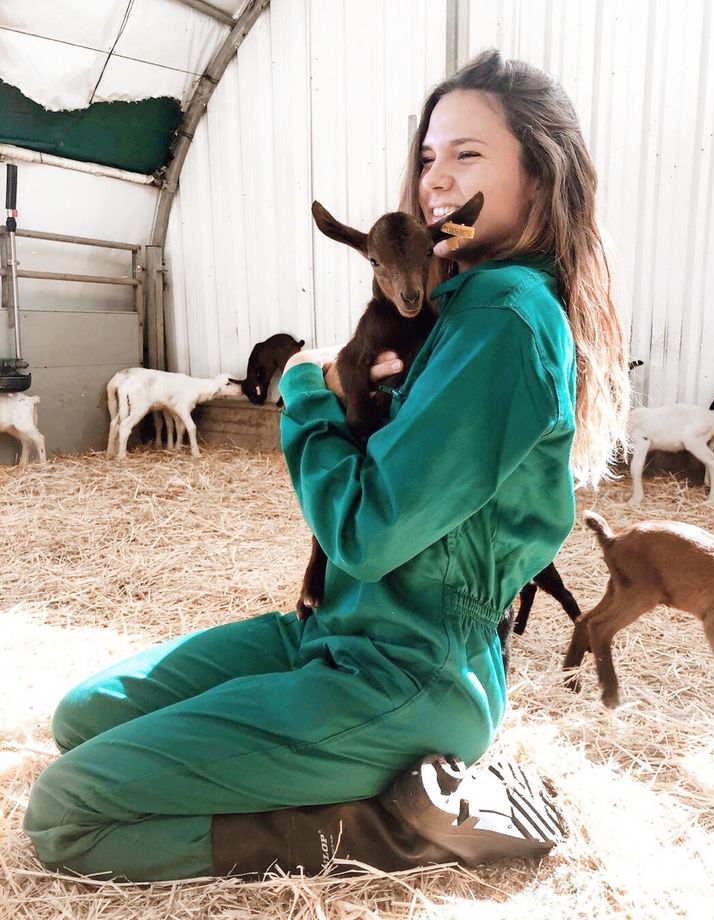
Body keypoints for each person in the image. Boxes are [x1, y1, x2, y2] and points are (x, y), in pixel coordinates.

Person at [23, 49, 628, 881]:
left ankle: (386, 832)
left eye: (469, 154)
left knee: (67, 814)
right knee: (82, 717)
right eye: (428, 156)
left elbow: (369, 534)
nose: (436, 178)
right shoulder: (444, 311)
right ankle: (329, 774)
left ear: (539, 173)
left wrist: (305, 391)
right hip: (332, 633)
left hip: (407, 672)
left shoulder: (507, 317)